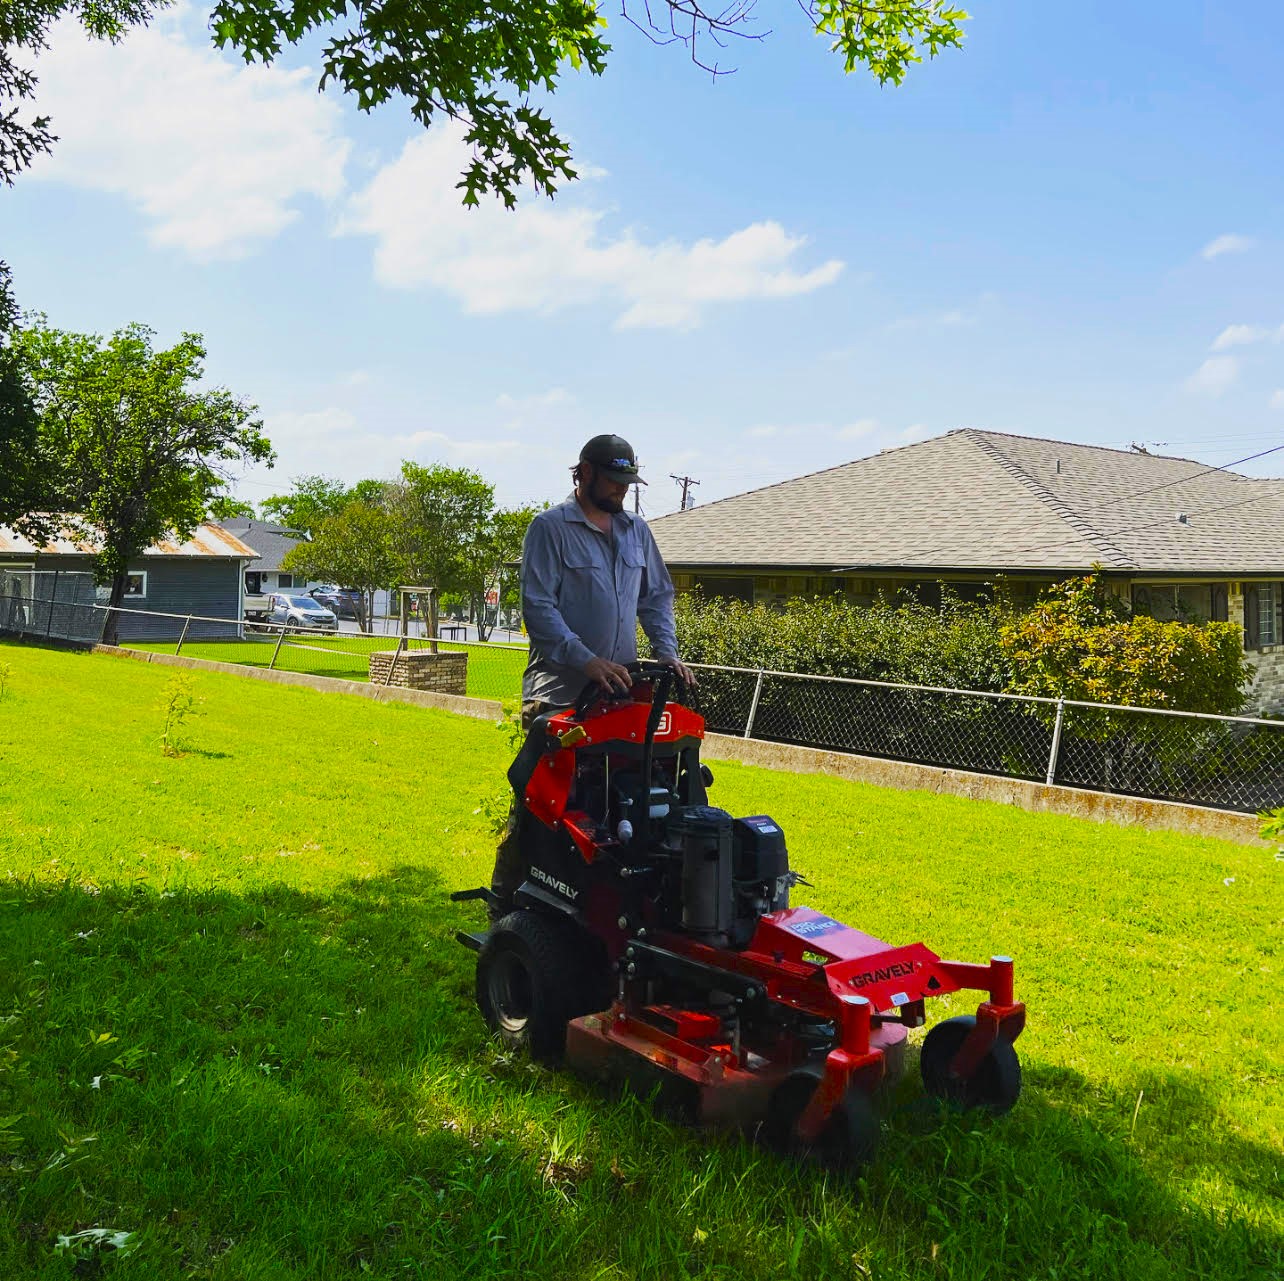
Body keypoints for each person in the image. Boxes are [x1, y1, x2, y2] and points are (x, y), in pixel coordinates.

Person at [489, 433, 695, 916]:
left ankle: (602, 907)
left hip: (619, 696)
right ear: (582, 473)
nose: (622, 490)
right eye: (613, 479)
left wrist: (667, 652)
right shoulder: (549, 529)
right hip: (558, 693)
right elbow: (538, 609)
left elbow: (656, 597)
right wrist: (587, 660)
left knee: (618, 805)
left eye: (628, 480)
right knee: (545, 807)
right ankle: (508, 904)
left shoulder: (638, 531)